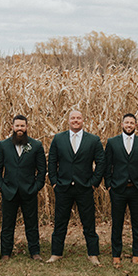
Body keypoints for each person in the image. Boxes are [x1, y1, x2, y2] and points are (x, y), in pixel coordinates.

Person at [47, 109, 105, 265]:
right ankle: (56, 253)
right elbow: (52, 161)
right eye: (73, 118)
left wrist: (93, 184)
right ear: (68, 120)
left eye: (78, 118)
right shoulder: (59, 139)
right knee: (60, 222)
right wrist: (54, 182)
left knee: (89, 223)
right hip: (63, 187)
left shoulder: (93, 140)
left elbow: (101, 163)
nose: (75, 120)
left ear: (83, 120)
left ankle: (93, 254)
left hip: (84, 188)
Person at [0, 114, 46, 260]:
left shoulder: (36, 145)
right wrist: (1, 186)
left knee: (32, 223)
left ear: (27, 127)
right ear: (12, 127)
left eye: (22, 126)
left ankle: (35, 252)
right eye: (17, 126)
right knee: (7, 224)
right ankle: (5, 253)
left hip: (29, 191)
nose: (20, 129)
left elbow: (42, 170)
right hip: (9, 191)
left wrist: (36, 187)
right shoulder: (3, 145)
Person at [103, 113, 138, 266]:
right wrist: (109, 184)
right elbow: (107, 165)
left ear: (136, 125)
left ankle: (136, 254)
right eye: (127, 122)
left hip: (137, 189)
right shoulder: (112, 142)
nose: (129, 125)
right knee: (117, 223)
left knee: (137, 224)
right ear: (122, 124)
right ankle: (116, 255)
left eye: (132, 123)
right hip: (118, 189)